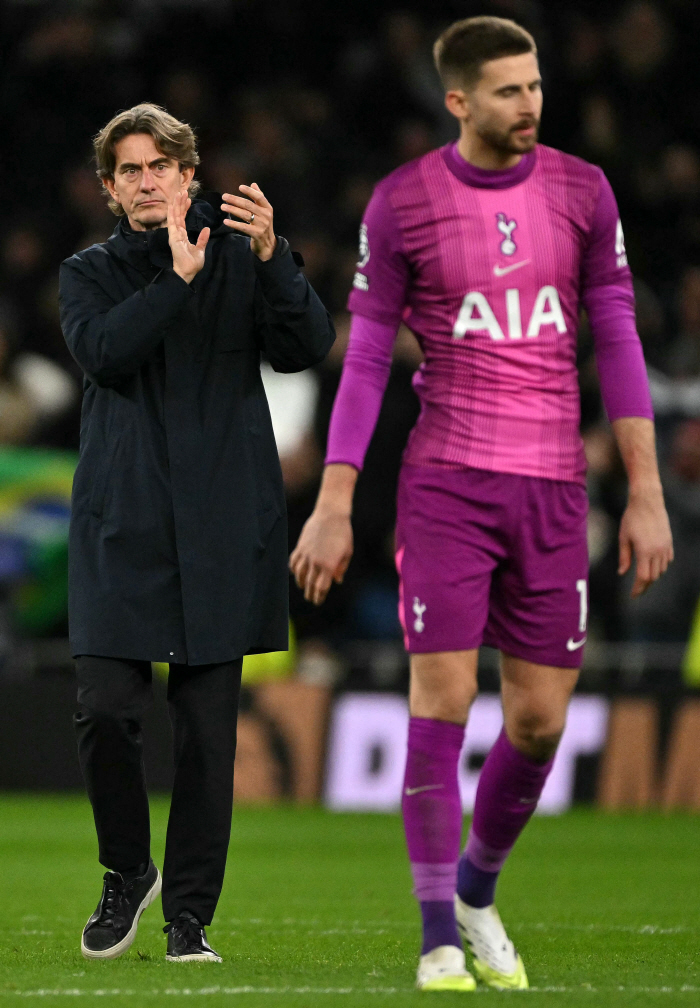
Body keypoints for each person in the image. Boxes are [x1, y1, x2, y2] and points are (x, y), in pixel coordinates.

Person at [290, 16, 673, 993]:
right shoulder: (404, 202)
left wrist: (645, 492)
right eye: (508, 90)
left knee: (541, 721)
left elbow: (618, 341)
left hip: (552, 489)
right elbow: (365, 357)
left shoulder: (585, 192)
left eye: (536, 85)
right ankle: (434, 937)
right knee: (443, 701)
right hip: (446, 484)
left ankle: (474, 890)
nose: (530, 103)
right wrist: (334, 501)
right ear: (456, 100)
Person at [59, 103, 334, 963]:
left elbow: (306, 347)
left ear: (190, 174)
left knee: (211, 738)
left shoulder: (241, 256)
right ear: (111, 189)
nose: (148, 182)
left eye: (161, 166)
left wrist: (273, 259)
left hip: (220, 526)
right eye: (130, 171)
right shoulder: (88, 273)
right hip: (125, 524)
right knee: (105, 710)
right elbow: (104, 352)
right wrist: (173, 280)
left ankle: (188, 919)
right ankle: (125, 871)